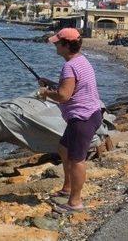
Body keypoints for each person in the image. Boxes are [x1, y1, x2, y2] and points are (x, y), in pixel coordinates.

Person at [37, 27, 103, 213]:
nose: (55, 45)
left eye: (58, 42)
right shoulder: (81, 60)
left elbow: (64, 96)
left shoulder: (69, 66)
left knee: (77, 160)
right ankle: (67, 188)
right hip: (91, 114)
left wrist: (45, 93)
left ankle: (75, 202)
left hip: (82, 118)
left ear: (66, 45)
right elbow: (73, 87)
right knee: (63, 148)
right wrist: (51, 84)